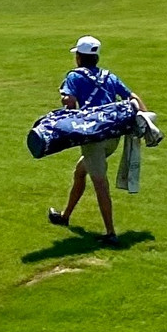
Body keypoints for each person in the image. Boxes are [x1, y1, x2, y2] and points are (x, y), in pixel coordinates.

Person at [47, 36, 146, 245]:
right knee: (80, 171)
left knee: (100, 183)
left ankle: (111, 233)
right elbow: (132, 97)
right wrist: (146, 122)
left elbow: (71, 103)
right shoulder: (108, 76)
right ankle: (65, 217)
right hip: (112, 137)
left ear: (79, 58)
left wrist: (64, 99)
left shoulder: (74, 76)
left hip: (93, 137)